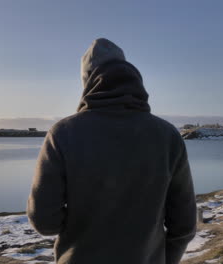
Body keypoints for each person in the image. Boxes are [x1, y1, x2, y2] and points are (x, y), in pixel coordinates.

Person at [27, 38, 196, 264]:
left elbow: (45, 222)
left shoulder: (63, 133)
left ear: (87, 82)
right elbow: (184, 225)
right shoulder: (167, 135)